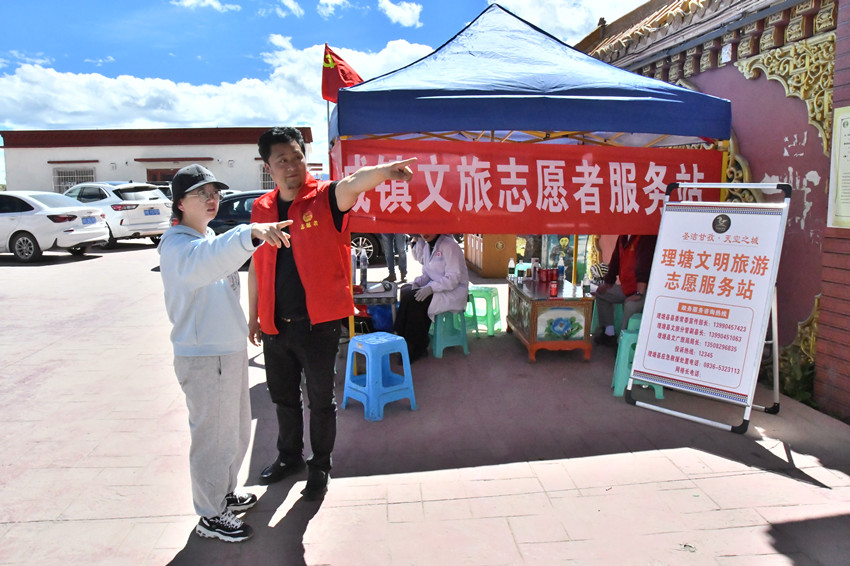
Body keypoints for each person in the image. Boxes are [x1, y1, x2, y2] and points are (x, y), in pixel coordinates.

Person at [248, 127, 415, 499]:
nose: (292, 165)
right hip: (275, 325)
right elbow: (257, 267)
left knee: (321, 401)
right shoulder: (260, 209)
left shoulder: (325, 197)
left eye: (297, 157)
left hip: (318, 325)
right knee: (284, 399)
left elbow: (354, 183)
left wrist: (383, 172)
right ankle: (288, 456)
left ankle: (320, 465)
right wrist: (253, 316)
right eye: (282, 160)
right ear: (268, 167)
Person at [158, 164, 292, 543]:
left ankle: (224, 493)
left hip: (226, 351)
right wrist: (249, 232)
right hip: (204, 357)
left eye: (215, 192)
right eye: (201, 193)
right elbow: (209, 259)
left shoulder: (208, 237)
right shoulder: (178, 246)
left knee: (233, 432)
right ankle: (210, 513)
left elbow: (221, 262)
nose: (211, 199)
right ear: (180, 203)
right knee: (212, 438)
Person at [394, 233, 470, 361]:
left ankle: (417, 347)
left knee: (414, 300)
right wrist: (418, 283)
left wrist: (431, 288)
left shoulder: (450, 246)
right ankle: (401, 338)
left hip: (454, 291)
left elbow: (453, 278)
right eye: (422, 230)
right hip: (438, 287)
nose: (425, 234)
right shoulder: (427, 247)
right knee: (406, 290)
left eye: (429, 230)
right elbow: (428, 274)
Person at [593, 234, 657, 346]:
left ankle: (621, 344)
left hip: (645, 291)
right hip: (627, 287)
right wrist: (608, 283)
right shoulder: (623, 237)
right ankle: (609, 333)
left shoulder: (646, 237)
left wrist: (639, 293)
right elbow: (615, 262)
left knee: (630, 306)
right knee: (601, 294)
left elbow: (644, 265)